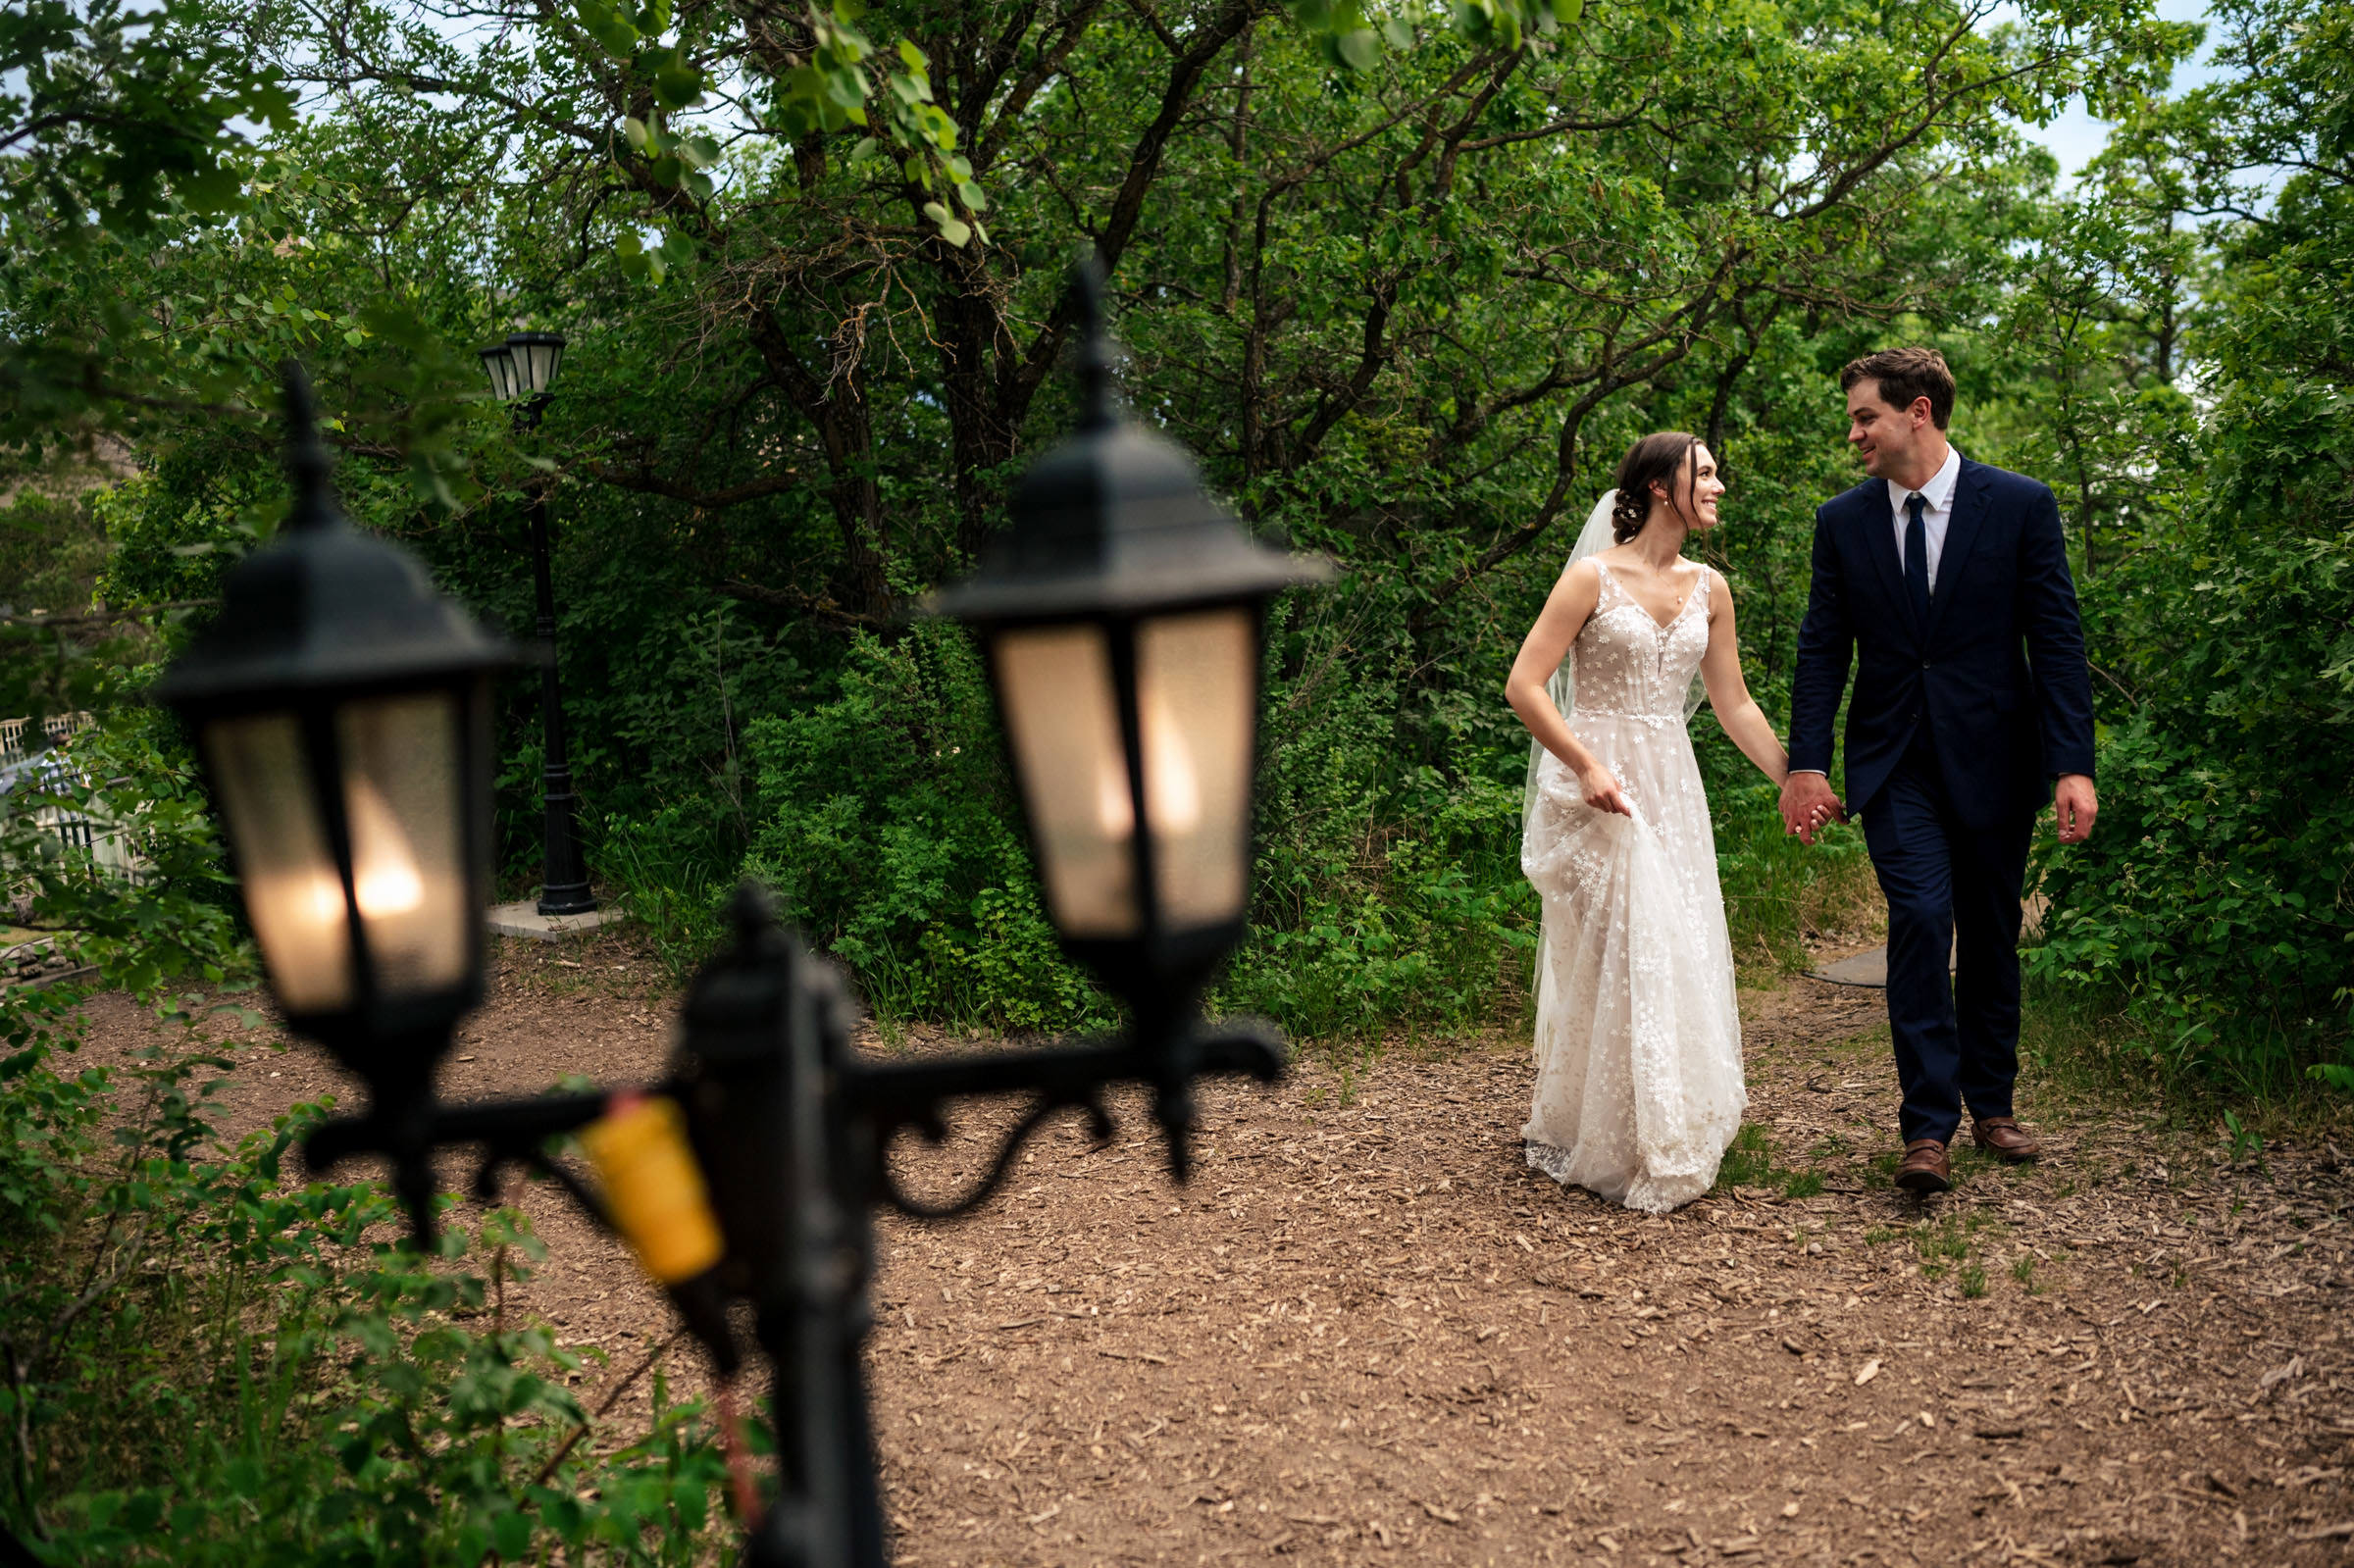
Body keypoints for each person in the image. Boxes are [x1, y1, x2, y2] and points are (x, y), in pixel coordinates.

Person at [1780, 348, 2098, 1194]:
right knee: (1921, 917)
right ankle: (1927, 1127)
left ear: (1917, 413)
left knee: (1991, 928)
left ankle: (1992, 1101)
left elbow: (2057, 643)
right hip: (1893, 763)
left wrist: (2073, 765)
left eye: (1864, 417)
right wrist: (1806, 762)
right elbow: (1822, 650)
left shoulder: (2021, 505)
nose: (1854, 434)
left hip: (1997, 756)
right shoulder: (1841, 521)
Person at [1505, 433, 1807, 1212]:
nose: (1719, 485)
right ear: (1661, 485)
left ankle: (1653, 1129)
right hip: (1594, 788)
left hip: (1672, 786)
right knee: (1635, 949)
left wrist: (1795, 779)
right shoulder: (1590, 579)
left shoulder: (1712, 589)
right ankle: (1626, 1134)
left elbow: (1734, 703)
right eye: (1704, 472)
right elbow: (1526, 685)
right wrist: (1585, 763)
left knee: (1673, 948)